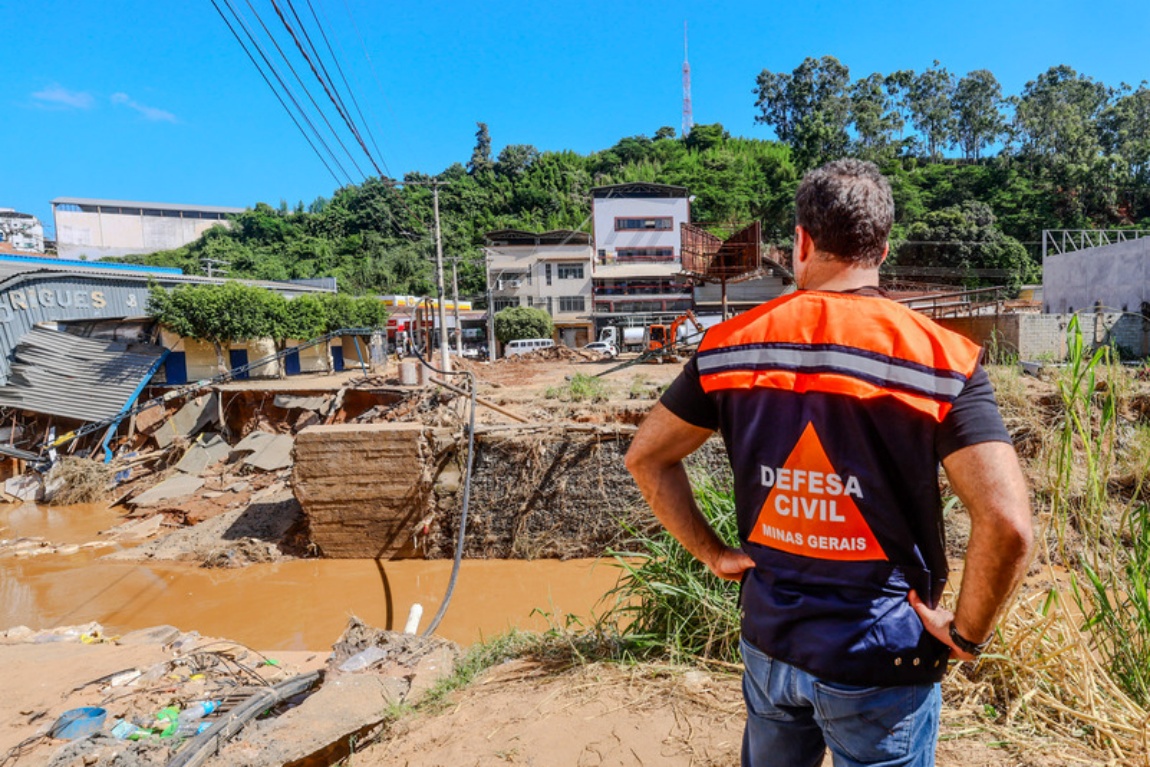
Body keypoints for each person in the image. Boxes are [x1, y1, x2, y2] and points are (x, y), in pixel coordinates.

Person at [625, 159, 1032, 767]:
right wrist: (967, 634)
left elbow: (647, 458)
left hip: (769, 642)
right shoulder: (942, 358)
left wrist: (714, 555)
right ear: (883, 247)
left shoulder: (729, 345)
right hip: (881, 656)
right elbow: (1008, 524)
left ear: (803, 242)